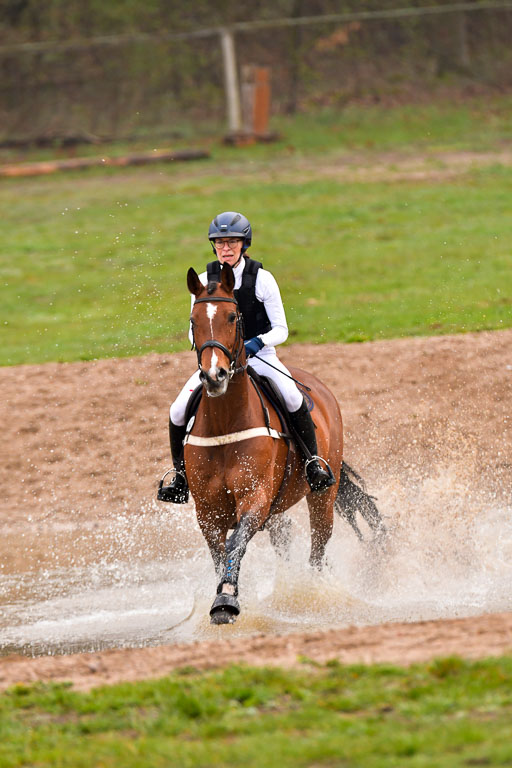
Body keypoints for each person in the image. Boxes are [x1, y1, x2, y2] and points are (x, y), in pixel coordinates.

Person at [158, 211, 335, 503]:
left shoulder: (262, 279)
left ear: (244, 244)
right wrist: (211, 353)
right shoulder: (202, 281)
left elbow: (281, 329)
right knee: (178, 410)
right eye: (220, 243)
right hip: (218, 360)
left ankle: (312, 464)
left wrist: (256, 343)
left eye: (232, 242)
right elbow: (194, 330)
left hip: (260, 356)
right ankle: (179, 477)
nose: (225, 248)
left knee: (293, 398)